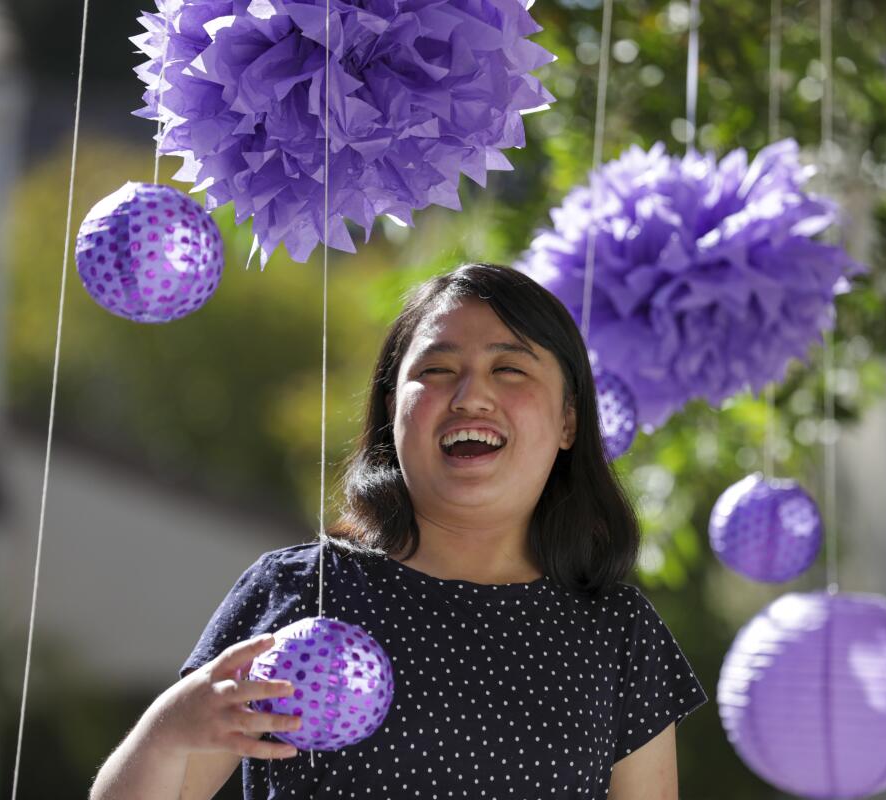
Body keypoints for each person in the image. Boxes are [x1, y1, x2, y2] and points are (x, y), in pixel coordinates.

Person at [90, 263, 707, 799]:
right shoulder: (304, 590)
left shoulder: (617, 630)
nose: (472, 396)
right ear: (392, 409)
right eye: (437, 369)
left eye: (510, 370)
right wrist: (169, 732)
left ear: (569, 420)